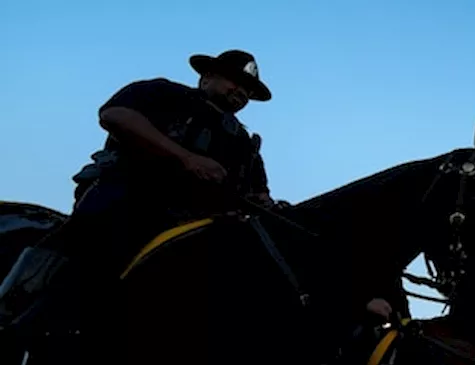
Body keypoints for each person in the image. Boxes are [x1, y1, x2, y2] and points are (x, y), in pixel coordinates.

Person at [0, 50, 276, 332]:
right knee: (89, 244)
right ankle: (21, 319)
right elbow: (114, 115)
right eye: (234, 81)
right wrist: (186, 158)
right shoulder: (166, 94)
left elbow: (259, 193)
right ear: (206, 78)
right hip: (128, 199)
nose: (241, 91)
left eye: (247, 89)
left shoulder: (244, 144)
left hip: (198, 227)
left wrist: (264, 203)